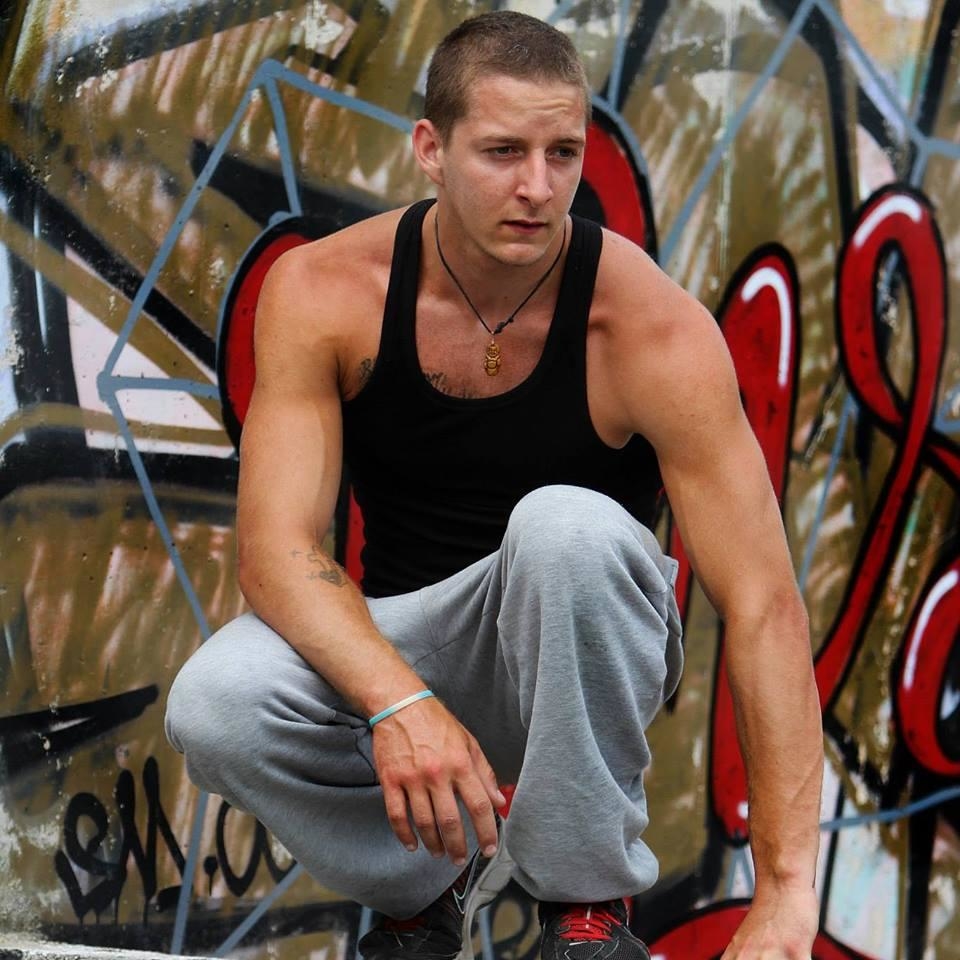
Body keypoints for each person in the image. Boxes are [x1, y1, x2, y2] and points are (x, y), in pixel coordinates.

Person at [166, 10, 823, 960]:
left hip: (580, 654)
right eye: (504, 151)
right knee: (214, 702)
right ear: (431, 149)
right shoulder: (328, 292)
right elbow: (276, 554)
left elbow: (763, 604)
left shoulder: (648, 328)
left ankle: (584, 911)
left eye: (563, 153)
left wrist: (788, 894)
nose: (538, 188)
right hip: (406, 648)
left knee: (564, 527)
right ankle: (424, 886)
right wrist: (401, 705)